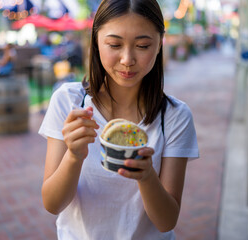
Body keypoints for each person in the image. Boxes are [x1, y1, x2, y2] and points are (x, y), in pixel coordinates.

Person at [38, 0, 199, 239]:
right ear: (96, 41)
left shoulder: (175, 116)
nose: (127, 59)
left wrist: (146, 177)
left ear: (159, 45)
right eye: (114, 44)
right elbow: (52, 203)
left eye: (143, 45)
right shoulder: (69, 102)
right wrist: (73, 155)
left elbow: (166, 221)